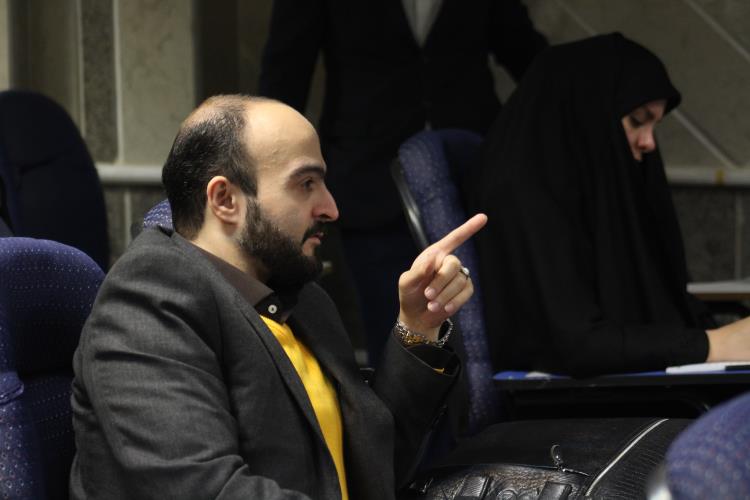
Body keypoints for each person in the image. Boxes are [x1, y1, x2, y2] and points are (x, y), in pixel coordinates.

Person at [70, 95, 486, 499]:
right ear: (225, 200)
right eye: (306, 184)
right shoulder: (149, 298)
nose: (331, 208)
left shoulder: (303, 300)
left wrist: (417, 327)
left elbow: (371, 469)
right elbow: (206, 489)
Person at [259, 0, 547, 362]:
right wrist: (271, 169)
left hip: (472, 175)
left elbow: (525, 53)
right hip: (368, 176)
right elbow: (286, 69)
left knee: (487, 333)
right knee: (390, 332)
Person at [466, 33, 750, 377]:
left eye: (655, 125)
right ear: (590, 110)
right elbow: (574, 343)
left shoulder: (592, 184)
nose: (649, 142)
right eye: (638, 120)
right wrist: (712, 345)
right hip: (574, 397)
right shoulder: (526, 190)